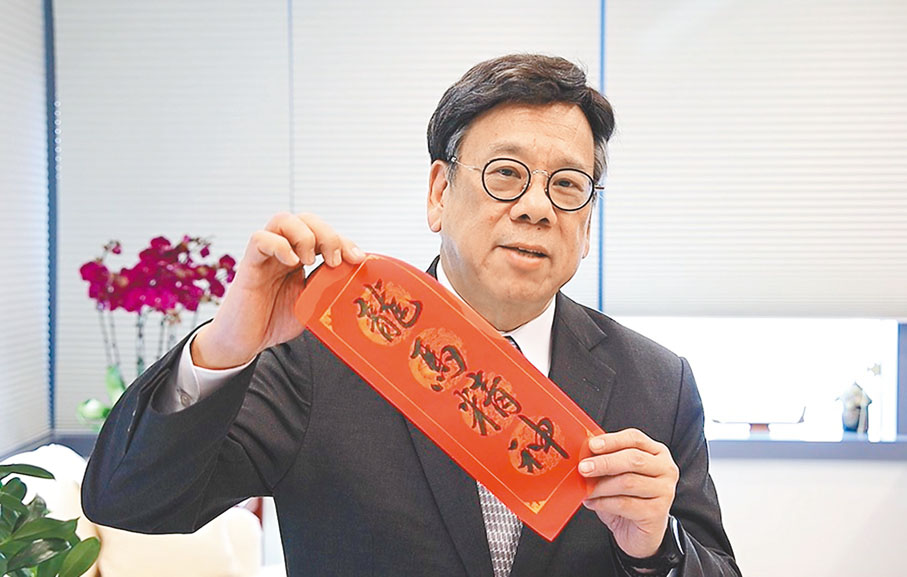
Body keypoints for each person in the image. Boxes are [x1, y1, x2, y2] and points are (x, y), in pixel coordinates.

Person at [83, 54, 741, 577]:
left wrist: (656, 547)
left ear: (587, 221)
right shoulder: (321, 351)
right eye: (506, 174)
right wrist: (226, 346)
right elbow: (130, 500)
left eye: (567, 185)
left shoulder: (657, 382)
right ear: (438, 192)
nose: (537, 208)